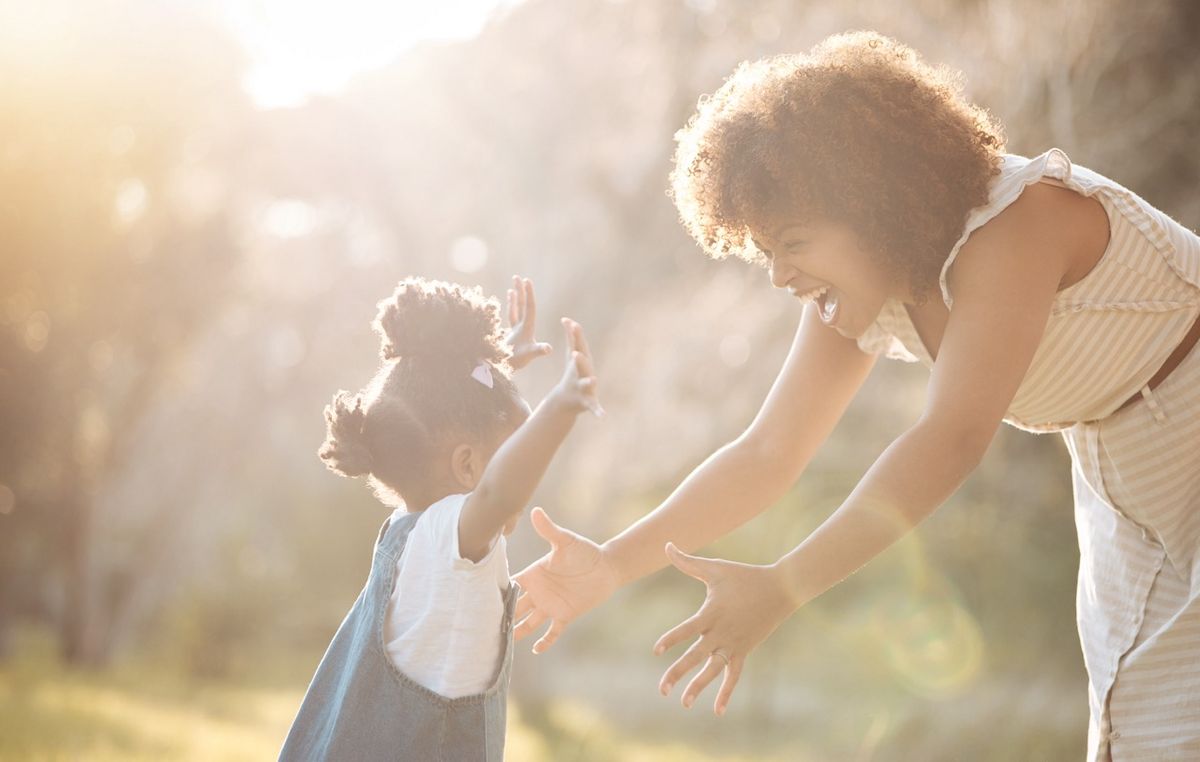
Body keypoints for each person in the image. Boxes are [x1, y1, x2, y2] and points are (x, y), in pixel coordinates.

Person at [512, 31, 1200, 761]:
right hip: (1123, 477)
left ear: (874, 204)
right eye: (765, 251)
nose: (779, 275)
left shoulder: (1017, 225)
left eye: (795, 242)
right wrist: (614, 563)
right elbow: (767, 452)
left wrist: (783, 586)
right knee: (1136, 727)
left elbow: (951, 440)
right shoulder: (866, 294)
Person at [280, 276, 601, 761]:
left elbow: (454, 414)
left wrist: (490, 367)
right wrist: (561, 405)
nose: (529, 466)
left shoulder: (414, 536)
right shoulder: (450, 538)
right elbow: (495, 490)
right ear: (467, 466)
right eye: (520, 444)